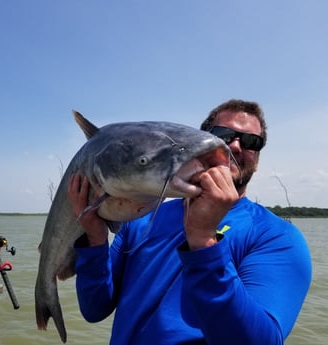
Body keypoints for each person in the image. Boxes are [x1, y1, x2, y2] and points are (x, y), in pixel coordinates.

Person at [67, 99, 312, 345]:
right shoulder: (140, 217)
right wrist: (96, 240)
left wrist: (204, 241)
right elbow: (94, 309)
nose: (236, 146)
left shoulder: (277, 237)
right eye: (224, 134)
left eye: (251, 142)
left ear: (257, 158)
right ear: (198, 144)